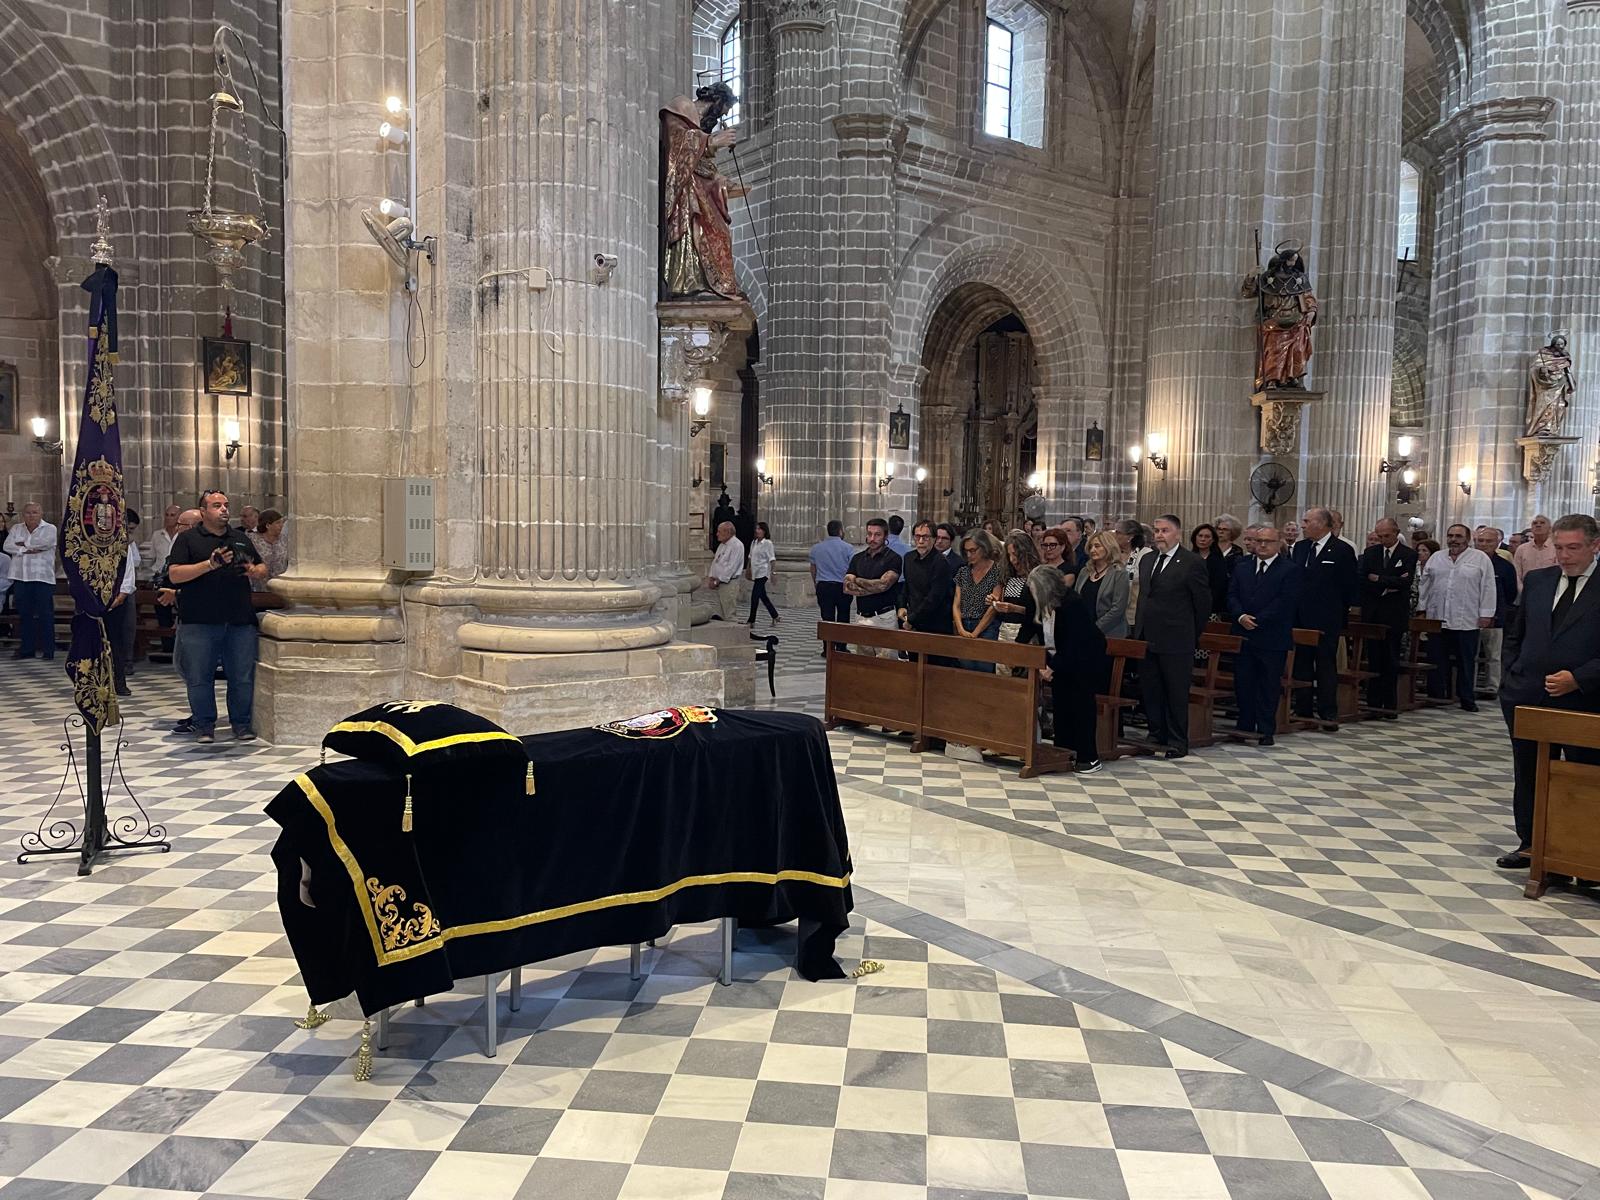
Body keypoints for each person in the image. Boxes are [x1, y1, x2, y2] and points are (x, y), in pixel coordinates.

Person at [1494, 512, 1600, 869]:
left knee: (1583, 775)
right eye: (1560, 548)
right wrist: (1510, 677)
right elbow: (1516, 632)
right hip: (1526, 694)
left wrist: (1579, 678)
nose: (1565, 556)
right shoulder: (1540, 580)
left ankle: (1582, 856)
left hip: (1583, 699)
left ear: (1595, 546)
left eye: (1574, 548)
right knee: (1528, 771)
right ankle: (1531, 844)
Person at [165, 490, 266, 743]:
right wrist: (209, 565)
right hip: (199, 620)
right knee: (199, 677)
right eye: (217, 505)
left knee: (242, 677)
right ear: (203, 511)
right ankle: (204, 725)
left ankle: (241, 724)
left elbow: (263, 566)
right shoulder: (187, 539)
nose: (224, 510)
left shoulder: (240, 538)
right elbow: (175, 575)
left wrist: (255, 571)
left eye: (226, 505)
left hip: (239, 619)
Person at [1133, 515, 1211, 758]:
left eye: (1164, 531)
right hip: (1148, 634)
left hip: (1177, 638)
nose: (1159, 535)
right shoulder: (1147, 559)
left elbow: (1202, 604)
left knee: (1175, 691)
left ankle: (1178, 740)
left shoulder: (1191, 562)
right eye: (1156, 531)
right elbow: (1144, 597)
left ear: (1177, 533)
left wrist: (1191, 633)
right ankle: (1156, 733)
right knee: (1151, 689)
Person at [1029, 563, 1107, 773]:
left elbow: (1075, 642)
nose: (1032, 593)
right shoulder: (1043, 605)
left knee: (1081, 708)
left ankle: (1088, 757)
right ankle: (1064, 752)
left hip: (1084, 662)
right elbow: (1040, 634)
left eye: (1035, 588)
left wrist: (1052, 667)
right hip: (1061, 661)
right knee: (1062, 709)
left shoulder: (1072, 603)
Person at [1228, 523, 1302, 745]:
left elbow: (1285, 601)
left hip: (1272, 636)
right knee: (1243, 682)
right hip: (1243, 633)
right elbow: (1231, 594)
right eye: (1258, 541)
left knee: (1268, 684)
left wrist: (1258, 620)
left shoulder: (1289, 569)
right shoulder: (1242, 566)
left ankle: (1266, 729)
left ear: (1278, 543)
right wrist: (1240, 616)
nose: (1261, 545)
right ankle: (1245, 725)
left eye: (1267, 542)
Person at [1290, 507, 1358, 725]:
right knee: (1301, 663)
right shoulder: (1300, 548)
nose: (1302, 525)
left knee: (1325, 664)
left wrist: (1341, 614)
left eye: (1306, 521)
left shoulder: (1341, 549)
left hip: (1327, 618)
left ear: (1321, 524)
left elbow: (1348, 586)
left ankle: (1328, 710)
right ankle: (1303, 709)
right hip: (1300, 616)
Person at [1419, 523, 1496, 711]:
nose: (1454, 539)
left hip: (1467, 619)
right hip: (1438, 618)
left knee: (1466, 662)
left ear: (1467, 539)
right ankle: (1436, 696)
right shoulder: (1437, 558)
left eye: (1458, 536)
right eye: (1450, 535)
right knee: (1437, 659)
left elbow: (1488, 587)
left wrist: (1486, 613)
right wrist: (1422, 609)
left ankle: (1466, 698)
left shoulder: (1480, 559)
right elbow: (1425, 584)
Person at [1358, 517, 1418, 718]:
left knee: (1391, 659)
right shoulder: (1371, 553)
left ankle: (1390, 705)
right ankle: (1373, 704)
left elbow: (1405, 581)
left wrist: (1380, 579)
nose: (1383, 539)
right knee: (1374, 658)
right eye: (1379, 536)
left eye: (1386, 536)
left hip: (1394, 614)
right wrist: (1388, 583)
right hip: (1373, 612)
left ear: (1396, 533)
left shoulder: (1407, 554)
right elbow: (1364, 579)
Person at [5, 502, 58, 660]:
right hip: (21, 577)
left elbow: (44, 544)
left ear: (41, 514)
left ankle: (48, 650)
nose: (31, 515)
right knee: (25, 615)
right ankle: (27, 649)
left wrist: (21, 546)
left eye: (35, 512)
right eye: (28, 513)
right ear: (23, 514)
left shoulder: (50, 528)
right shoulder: (16, 528)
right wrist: (26, 549)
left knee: (45, 615)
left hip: (42, 578)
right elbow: (8, 546)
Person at [845, 518, 901, 656]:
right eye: (869, 534)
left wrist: (857, 580)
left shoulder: (894, 558)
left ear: (885, 536)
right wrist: (873, 586)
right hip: (861, 617)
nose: (872, 538)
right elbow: (847, 587)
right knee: (864, 666)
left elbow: (883, 585)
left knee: (887, 666)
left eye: (877, 535)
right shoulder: (857, 558)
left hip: (884, 618)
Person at [1475, 525, 1518, 699]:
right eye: (1481, 540)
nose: (1484, 544)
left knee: (1494, 654)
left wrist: (1496, 611)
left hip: (1496, 616)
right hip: (1470, 615)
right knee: (1472, 654)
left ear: (1498, 543)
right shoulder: (1469, 561)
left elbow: (1510, 592)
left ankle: (1492, 687)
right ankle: (1469, 685)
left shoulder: (1505, 566)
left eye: (1489, 541)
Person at [952, 529, 1002, 672]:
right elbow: (956, 603)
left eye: (973, 550)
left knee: (984, 667)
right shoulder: (963, 571)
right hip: (964, 623)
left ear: (984, 548)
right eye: (966, 551)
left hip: (987, 626)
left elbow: (994, 606)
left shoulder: (996, 571)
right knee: (966, 667)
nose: (969, 555)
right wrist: (960, 628)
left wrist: (976, 633)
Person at [105, 508, 142, 697]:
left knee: (118, 640)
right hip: (96, 597)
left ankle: (119, 680)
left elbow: (129, 570)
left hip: (118, 595)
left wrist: (123, 593)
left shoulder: (124, 544)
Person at [990, 531, 1041, 658]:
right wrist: (995, 602)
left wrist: (1014, 609)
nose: (1013, 559)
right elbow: (1005, 599)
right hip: (1005, 628)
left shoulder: (1037, 575)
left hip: (1026, 630)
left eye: (1016, 554)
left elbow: (1039, 611)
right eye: (1009, 555)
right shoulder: (1009, 574)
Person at [899, 519, 954, 637]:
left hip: (935, 623)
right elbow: (906, 585)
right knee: (913, 655)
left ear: (934, 539)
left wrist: (912, 619)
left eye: (925, 537)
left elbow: (934, 597)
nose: (920, 541)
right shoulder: (909, 558)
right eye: (917, 536)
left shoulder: (941, 562)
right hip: (913, 620)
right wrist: (901, 606)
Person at [1076, 531, 1129, 638]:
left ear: (1108, 547)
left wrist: (1094, 628)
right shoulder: (1085, 572)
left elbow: (1118, 609)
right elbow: (1076, 599)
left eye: (1097, 546)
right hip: (1083, 630)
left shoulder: (1119, 573)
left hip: (1110, 633)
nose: (1092, 550)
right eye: (1090, 547)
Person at [705, 520, 745, 622]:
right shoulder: (722, 545)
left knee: (729, 612)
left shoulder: (737, 545)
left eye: (719, 531)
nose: (717, 534)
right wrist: (711, 577)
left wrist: (718, 580)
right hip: (719, 582)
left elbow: (731, 567)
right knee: (720, 612)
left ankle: (732, 634)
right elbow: (716, 561)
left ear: (727, 532)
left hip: (728, 582)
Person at [1114, 518, 1150, 630]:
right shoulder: (1114, 554)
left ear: (1130, 536)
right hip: (1114, 613)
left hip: (1135, 613)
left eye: (1118, 532)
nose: (1115, 536)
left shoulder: (1146, 555)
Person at [744, 521, 779, 626]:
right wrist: (748, 569)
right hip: (755, 572)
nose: (757, 531)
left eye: (760, 529)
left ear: (764, 531)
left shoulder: (767, 543)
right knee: (762, 596)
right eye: (757, 529)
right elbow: (750, 557)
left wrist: (773, 572)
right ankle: (775, 615)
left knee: (755, 595)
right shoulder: (754, 542)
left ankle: (751, 620)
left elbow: (772, 559)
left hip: (763, 572)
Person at [1190, 523, 1228, 617]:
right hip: (1189, 607)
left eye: (1207, 537)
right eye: (1200, 536)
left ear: (1213, 540)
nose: (1203, 539)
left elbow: (1219, 587)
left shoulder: (1218, 561)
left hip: (1211, 608)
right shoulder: (1188, 558)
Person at [247, 509, 290, 592]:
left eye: (281, 522)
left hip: (280, 587)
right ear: (268, 525)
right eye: (278, 523)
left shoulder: (285, 540)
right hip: (258, 588)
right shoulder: (253, 539)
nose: (281, 525)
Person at [1513, 514, 1557, 593]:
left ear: (1550, 529)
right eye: (1535, 523)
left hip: (1551, 591)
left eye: (1542, 523)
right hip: (1526, 591)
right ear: (1531, 528)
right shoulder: (1522, 549)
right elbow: (1517, 574)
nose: (1538, 525)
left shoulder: (1557, 548)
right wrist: (1523, 591)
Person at [150, 504, 182, 572]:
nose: (168, 518)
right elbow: (152, 558)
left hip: (177, 574)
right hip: (158, 574)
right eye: (167, 515)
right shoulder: (156, 535)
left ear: (179, 517)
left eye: (172, 515)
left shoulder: (183, 535)